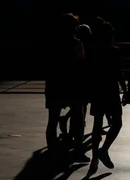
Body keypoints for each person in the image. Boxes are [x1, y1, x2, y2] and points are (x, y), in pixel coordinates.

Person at [85, 21, 127, 175]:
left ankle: (95, 157)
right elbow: (118, 73)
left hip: (97, 89)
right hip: (111, 90)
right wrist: (125, 89)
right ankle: (104, 150)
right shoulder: (115, 51)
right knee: (117, 122)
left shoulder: (93, 51)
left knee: (97, 124)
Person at [45, 13, 85, 156]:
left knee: (53, 119)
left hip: (55, 83)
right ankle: (78, 150)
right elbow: (81, 66)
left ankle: (52, 150)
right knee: (78, 118)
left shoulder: (52, 43)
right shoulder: (77, 43)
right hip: (72, 84)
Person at [58, 23, 92, 139]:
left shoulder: (73, 44)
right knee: (82, 105)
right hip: (82, 78)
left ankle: (72, 126)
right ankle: (78, 129)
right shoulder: (81, 45)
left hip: (75, 79)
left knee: (78, 105)